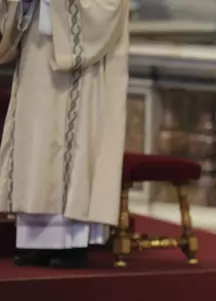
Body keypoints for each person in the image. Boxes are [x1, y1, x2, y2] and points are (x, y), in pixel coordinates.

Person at [0, 0, 130, 269]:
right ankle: (38, 241)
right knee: (35, 145)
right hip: (36, 52)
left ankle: (73, 244)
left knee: (73, 146)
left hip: (82, 68)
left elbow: (107, 9)